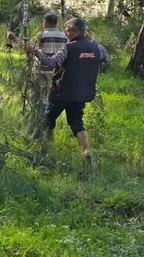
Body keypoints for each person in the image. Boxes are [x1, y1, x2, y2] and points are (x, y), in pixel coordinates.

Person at [23, 17, 109, 165]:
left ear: (75, 32)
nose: (66, 33)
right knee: (76, 122)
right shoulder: (97, 48)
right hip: (82, 93)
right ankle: (85, 151)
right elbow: (106, 58)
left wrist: (35, 51)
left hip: (62, 92)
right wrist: (92, 42)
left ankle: (45, 148)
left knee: (47, 119)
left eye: (67, 30)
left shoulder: (68, 48)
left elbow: (52, 62)